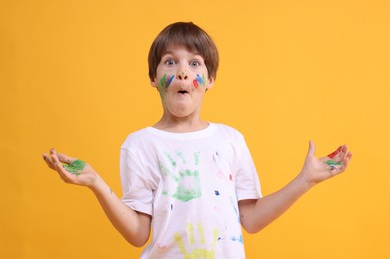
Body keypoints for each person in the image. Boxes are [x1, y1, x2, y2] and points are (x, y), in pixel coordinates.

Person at [42, 22, 352, 258]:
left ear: (210, 79)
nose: (182, 72)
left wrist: (305, 180)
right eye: (170, 61)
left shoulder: (230, 140)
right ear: (153, 77)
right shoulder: (139, 145)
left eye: (194, 63)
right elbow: (138, 234)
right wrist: (97, 183)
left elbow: (253, 219)